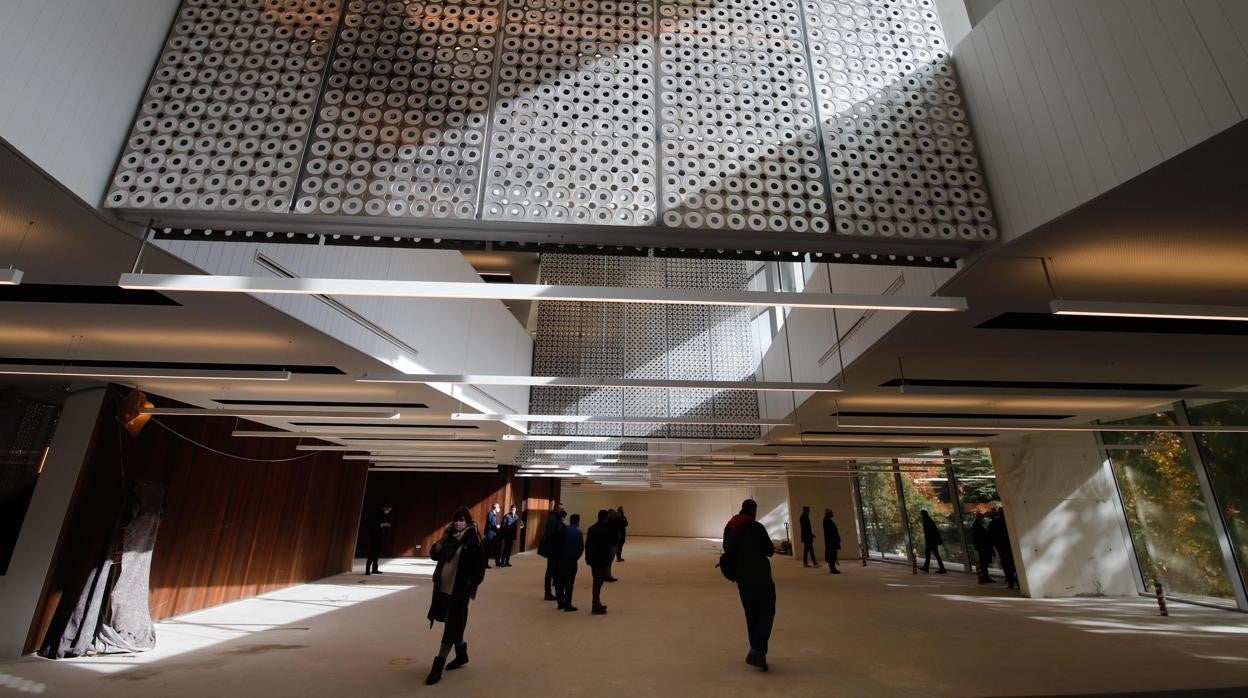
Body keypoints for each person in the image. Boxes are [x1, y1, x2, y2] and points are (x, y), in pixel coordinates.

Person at [424, 507, 487, 686]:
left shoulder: (474, 539)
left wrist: (470, 585)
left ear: (467, 522)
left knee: (451, 626)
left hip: (459, 591)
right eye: (456, 520)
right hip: (443, 588)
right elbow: (434, 555)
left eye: (462, 520)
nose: (459, 523)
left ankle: (438, 665)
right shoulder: (449, 537)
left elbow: (479, 567)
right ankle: (461, 654)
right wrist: (442, 540)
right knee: (455, 622)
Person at [723, 499, 775, 672]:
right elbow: (769, 550)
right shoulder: (756, 527)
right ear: (753, 510)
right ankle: (758, 651)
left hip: (742, 577)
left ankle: (756, 651)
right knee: (767, 611)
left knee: (751, 613)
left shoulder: (730, 527)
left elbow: (727, 549)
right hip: (760, 576)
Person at [585, 509, 613, 614]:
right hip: (602, 560)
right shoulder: (605, 530)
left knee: (597, 582)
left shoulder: (591, 529)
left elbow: (587, 545)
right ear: (605, 518)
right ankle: (595, 605)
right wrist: (608, 560)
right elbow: (606, 547)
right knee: (598, 583)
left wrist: (587, 558)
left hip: (594, 560)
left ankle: (596, 603)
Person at [537, 503, 566, 601]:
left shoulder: (555, 518)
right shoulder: (553, 519)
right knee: (550, 571)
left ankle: (552, 593)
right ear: (556, 510)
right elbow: (554, 534)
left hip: (555, 549)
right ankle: (548, 593)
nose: (563, 510)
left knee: (553, 571)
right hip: (553, 549)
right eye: (561, 509)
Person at [556, 513, 584, 611]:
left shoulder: (563, 529)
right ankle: (568, 604)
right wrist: (575, 557)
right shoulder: (578, 532)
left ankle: (560, 603)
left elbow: (557, 544)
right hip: (572, 560)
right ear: (577, 521)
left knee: (560, 582)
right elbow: (581, 548)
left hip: (561, 559)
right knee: (569, 583)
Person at [990, 507, 1018, 589]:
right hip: (1010, 545)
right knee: (1014, 562)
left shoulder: (994, 523)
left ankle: (1010, 581)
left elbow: (992, 535)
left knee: (1006, 563)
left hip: (1001, 546)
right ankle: (1018, 581)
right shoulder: (1008, 522)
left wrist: (995, 545)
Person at [364, 504, 392, 575]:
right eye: (388, 510)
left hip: (378, 536)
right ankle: (368, 570)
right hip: (375, 536)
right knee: (372, 552)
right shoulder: (378, 514)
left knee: (376, 553)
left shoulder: (381, 514)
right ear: (385, 508)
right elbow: (375, 524)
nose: (388, 511)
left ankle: (374, 569)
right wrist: (384, 524)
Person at [972, 511, 996, 584]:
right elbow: (983, 537)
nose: (983, 519)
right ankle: (985, 577)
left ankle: (983, 577)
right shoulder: (977, 526)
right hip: (982, 547)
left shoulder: (976, 525)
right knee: (983, 562)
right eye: (982, 517)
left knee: (982, 562)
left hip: (980, 547)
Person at [822, 508, 842, 574]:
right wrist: (836, 539)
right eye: (831, 512)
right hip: (831, 541)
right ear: (828, 513)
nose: (832, 513)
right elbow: (832, 532)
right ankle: (833, 569)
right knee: (832, 554)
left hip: (830, 541)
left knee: (832, 554)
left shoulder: (827, 520)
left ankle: (832, 568)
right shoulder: (827, 521)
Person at [604, 509, 620, 582]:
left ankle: (606, 575)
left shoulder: (611, 521)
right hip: (612, 543)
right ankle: (607, 576)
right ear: (610, 514)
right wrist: (618, 517)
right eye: (613, 513)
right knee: (609, 560)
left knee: (609, 560)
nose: (615, 514)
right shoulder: (611, 521)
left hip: (613, 542)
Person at [484, 502, 500, 569]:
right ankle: (485, 564)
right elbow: (489, 524)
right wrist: (496, 526)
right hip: (490, 534)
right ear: (495, 507)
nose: (499, 508)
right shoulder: (490, 514)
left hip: (494, 534)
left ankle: (497, 563)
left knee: (496, 548)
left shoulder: (494, 514)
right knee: (488, 549)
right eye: (498, 507)